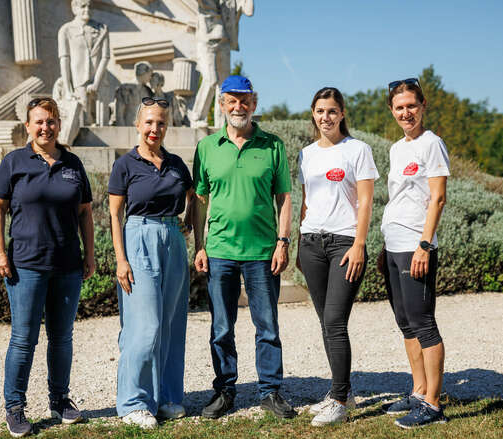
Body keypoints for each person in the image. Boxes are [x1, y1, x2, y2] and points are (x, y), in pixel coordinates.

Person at [0, 97, 95, 437]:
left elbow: (85, 213)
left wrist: (90, 255)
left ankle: (60, 400)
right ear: (28, 126)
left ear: (59, 124)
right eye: (38, 122)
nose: (45, 127)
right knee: (24, 339)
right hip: (25, 266)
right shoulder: (14, 162)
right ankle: (15, 407)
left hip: (67, 264)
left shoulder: (73, 164)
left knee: (62, 338)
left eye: (50, 121)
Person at [192, 75, 295, 419]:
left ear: (254, 103)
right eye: (231, 100)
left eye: (245, 100)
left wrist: (283, 241)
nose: (239, 106)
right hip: (220, 251)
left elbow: (284, 198)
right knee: (221, 326)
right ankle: (225, 391)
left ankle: (270, 392)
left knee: (267, 326)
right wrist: (200, 245)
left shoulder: (273, 145)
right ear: (221, 104)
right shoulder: (207, 147)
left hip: (263, 252)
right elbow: (200, 201)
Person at [108, 97, 195, 429]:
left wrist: (187, 225)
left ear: (166, 126)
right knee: (145, 327)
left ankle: (167, 398)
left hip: (172, 238)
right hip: (138, 238)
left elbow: (193, 197)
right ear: (137, 124)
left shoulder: (175, 163)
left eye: (160, 122)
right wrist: (120, 259)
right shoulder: (125, 165)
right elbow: (115, 214)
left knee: (171, 324)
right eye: (149, 122)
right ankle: (133, 402)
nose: (154, 128)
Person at [296, 87, 379, 426]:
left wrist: (360, 244)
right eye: (319, 111)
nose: (325, 117)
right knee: (325, 323)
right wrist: (299, 243)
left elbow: (366, 202)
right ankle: (337, 391)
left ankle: (341, 400)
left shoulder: (358, 150)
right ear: (313, 114)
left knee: (334, 321)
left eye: (331, 111)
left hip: (345, 243)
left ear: (342, 113)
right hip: (311, 242)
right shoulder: (306, 154)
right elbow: (305, 201)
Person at [380, 78, 450, 428]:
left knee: (423, 323)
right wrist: (384, 244)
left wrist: (425, 243)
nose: (406, 112)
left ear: (422, 106)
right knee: (405, 323)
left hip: (415, 246)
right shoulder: (396, 149)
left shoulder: (431, 143)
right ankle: (419, 391)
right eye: (399, 107)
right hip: (394, 245)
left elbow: (437, 197)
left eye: (411, 105)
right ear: (392, 111)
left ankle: (434, 406)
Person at [189, 0, 254, 127]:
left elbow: (249, 11)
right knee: (210, 80)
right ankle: (196, 117)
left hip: (224, 41)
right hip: (206, 41)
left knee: (224, 86)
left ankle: (221, 123)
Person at [58, 0, 110, 126]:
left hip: (99, 80)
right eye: (83, 6)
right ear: (74, 8)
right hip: (78, 80)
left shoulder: (102, 29)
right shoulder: (66, 30)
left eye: (89, 6)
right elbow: (64, 60)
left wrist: (96, 82)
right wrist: (68, 89)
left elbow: (105, 57)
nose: (87, 9)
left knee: (100, 119)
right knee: (84, 119)